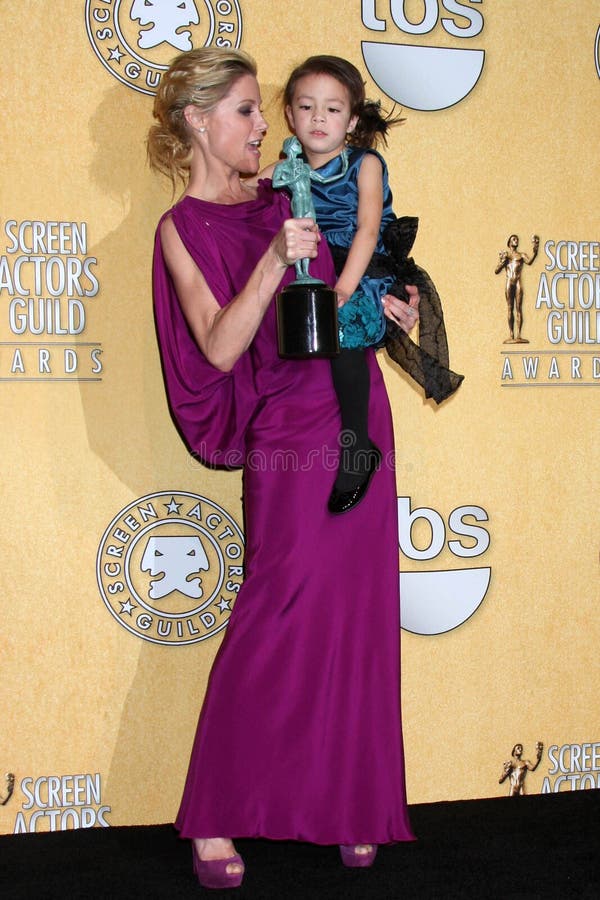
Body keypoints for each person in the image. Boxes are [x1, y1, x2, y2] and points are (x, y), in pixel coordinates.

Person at [148, 47, 416, 890]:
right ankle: (217, 812)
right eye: (246, 112)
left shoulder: (297, 185)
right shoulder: (181, 228)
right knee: (279, 604)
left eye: (269, 113)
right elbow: (221, 347)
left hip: (355, 407)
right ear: (198, 121)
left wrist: (395, 296)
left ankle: (351, 804)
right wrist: (273, 259)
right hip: (286, 431)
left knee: (357, 610)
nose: (270, 125)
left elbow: (363, 251)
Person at [266, 55, 463, 515]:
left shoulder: (365, 164)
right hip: (314, 264)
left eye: (333, 109)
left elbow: (368, 231)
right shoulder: (286, 166)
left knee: (347, 333)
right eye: (306, 106)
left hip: (363, 265)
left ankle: (357, 448)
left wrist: (344, 289)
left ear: (352, 120)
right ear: (291, 115)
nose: (319, 118)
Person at [495, 234, 540, 343]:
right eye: (514, 239)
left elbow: (529, 262)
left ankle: (519, 334)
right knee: (510, 308)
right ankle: (511, 334)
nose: (516, 241)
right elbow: (496, 271)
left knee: (519, 308)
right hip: (509, 282)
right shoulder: (506, 255)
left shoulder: (521, 255)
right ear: (509, 242)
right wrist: (502, 262)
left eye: (517, 239)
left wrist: (535, 252)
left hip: (518, 281)